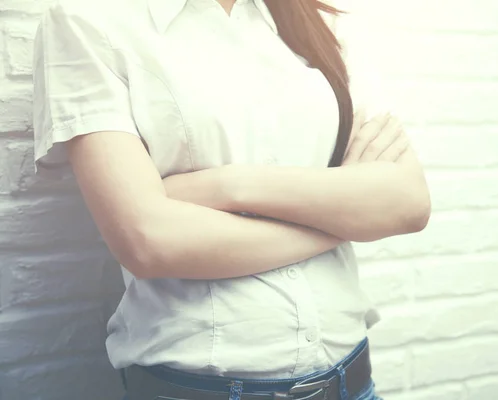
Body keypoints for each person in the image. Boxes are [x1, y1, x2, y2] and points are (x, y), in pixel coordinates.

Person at [31, 0, 431, 399]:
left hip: (353, 382)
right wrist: (343, 222)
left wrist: (229, 185)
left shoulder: (318, 21)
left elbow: (408, 202)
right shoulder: (87, 20)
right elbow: (147, 241)